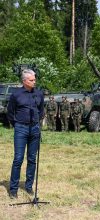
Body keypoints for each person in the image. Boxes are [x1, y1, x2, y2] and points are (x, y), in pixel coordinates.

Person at [7, 69, 44, 199]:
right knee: (18, 159)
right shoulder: (16, 95)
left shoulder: (39, 94)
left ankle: (29, 187)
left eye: (34, 79)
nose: (35, 82)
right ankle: (13, 189)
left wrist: (36, 123)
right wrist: (17, 124)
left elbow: (41, 111)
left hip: (34, 129)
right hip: (21, 129)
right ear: (24, 81)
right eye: (32, 80)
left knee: (32, 159)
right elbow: (10, 112)